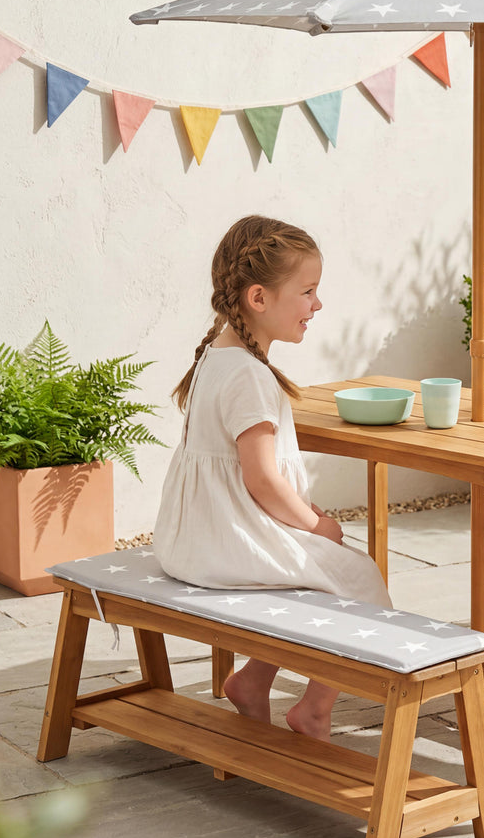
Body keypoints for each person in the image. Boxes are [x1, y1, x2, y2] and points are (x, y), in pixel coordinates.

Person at [153, 215, 390, 740]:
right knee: (359, 578)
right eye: (308, 292)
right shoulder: (249, 377)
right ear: (258, 298)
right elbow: (261, 479)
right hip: (220, 544)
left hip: (192, 537)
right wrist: (315, 524)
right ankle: (314, 707)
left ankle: (253, 683)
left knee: (317, 573)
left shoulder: (216, 357)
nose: (317, 305)